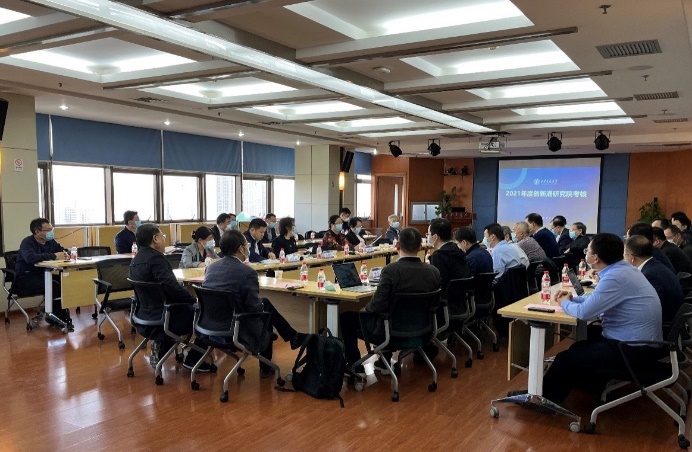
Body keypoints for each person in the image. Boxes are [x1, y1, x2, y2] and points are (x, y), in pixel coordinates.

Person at [543, 233, 664, 405]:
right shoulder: (623, 269)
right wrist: (573, 299)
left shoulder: (615, 277)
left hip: (634, 350)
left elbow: (585, 313)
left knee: (566, 358)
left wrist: (564, 303)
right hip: (641, 343)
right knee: (580, 345)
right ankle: (590, 384)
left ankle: (544, 400)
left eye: (587, 251)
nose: (586, 254)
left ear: (595, 258)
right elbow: (598, 301)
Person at [203, 229, 307, 378]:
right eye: (247, 245)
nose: (248, 248)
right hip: (237, 329)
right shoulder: (247, 272)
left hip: (211, 327)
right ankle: (267, 365)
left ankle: (292, 337)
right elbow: (255, 308)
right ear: (241, 249)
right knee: (265, 313)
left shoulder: (210, 268)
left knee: (265, 304)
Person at [340, 227, 441, 374]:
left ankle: (355, 367)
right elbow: (435, 304)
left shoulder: (391, 271)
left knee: (347, 318)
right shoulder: (434, 272)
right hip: (423, 330)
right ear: (420, 247)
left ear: (397, 246)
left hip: (391, 332)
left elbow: (377, 305)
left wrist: (363, 311)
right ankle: (383, 362)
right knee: (388, 314)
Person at [128, 223, 211, 371]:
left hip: (142, 316)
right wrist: (193, 300)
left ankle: (162, 346)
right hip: (165, 318)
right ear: (155, 238)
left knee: (187, 309)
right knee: (207, 314)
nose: (164, 239)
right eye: (162, 236)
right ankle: (193, 359)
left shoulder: (136, 259)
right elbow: (172, 288)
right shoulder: (156, 259)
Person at [15, 218, 72, 329]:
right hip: (25, 278)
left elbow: (62, 250)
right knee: (54, 285)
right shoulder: (27, 242)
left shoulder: (51, 242)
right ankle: (56, 317)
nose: (51, 232)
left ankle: (58, 314)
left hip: (44, 275)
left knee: (63, 281)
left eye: (52, 229)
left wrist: (66, 253)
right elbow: (30, 258)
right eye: (48, 230)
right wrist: (54, 256)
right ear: (37, 232)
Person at [624, 235, 683, 324]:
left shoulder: (649, 275)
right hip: (670, 315)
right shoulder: (653, 265)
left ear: (632, 257)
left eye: (624, 255)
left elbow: (645, 307)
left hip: (663, 322)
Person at [428, 218, 470, 294]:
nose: (428, 236)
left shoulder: (438, 256)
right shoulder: (458, 250)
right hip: (461, 296)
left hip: (444, 297)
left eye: (428, 234)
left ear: (435, 237)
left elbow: (437, 283)